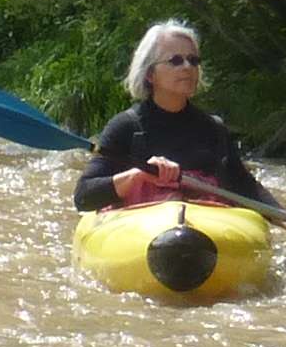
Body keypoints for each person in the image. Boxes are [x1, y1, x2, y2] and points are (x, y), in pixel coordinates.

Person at [76, 22, 274, 213]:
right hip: (147, 228)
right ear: (150, 74)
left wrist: (285, 217)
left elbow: (245, 186)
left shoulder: (213, 128)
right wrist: (137, 175)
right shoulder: (125, 127)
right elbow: (83, 197)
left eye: (193, 60)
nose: (188, 67)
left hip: (205, 226)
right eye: (176, 60)